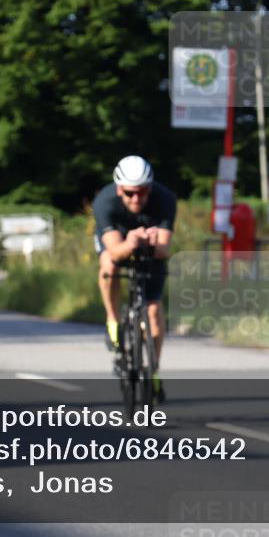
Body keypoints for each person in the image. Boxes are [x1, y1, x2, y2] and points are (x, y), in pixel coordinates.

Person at [93, 155, 176, 403]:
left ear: (150, 187)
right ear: (120, 189)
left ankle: (154, 371)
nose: (136, 199)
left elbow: (164, 250)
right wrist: (130, 242)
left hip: (150, 249)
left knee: (154, 312)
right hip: (118, 243)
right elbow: (114, 252)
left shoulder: (165, 198)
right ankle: (112, 319)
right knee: (108, 265)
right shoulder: (104, 202)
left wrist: (152, 244)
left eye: (142, 192)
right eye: (130, 193)